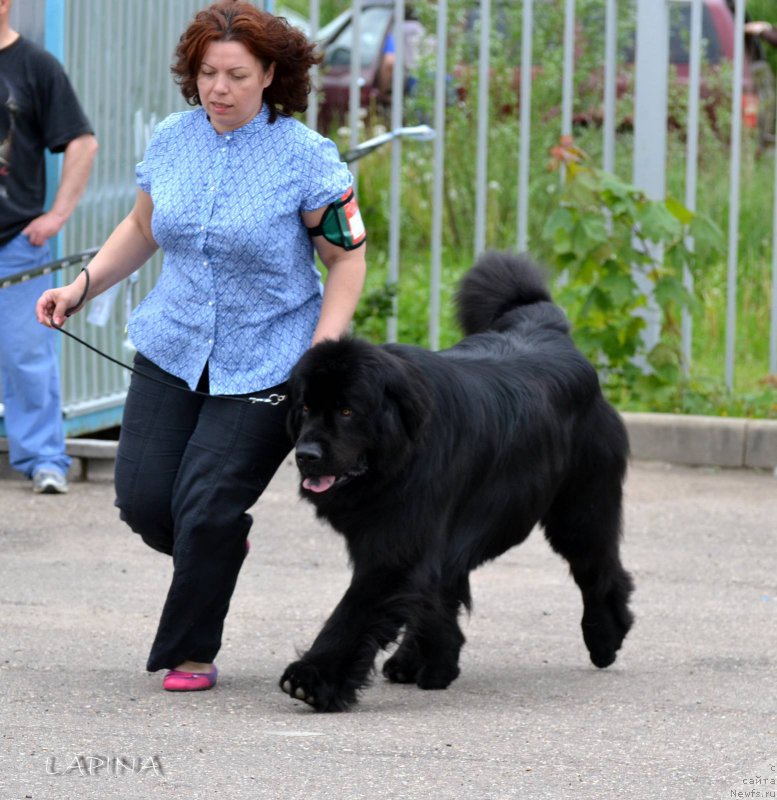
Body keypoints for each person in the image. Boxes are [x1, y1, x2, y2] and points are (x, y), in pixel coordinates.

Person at [36, 1, 367, 692]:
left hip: (270, 358)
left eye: (237, 75)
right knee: (144, 500)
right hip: (174, 343)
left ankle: (189, 651)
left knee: (208, 505)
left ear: (269, 75)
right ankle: (214, 546)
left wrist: (323, 358)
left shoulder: (307, 158)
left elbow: (345, 260)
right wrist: (81, 287)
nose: (219, 88)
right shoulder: (170, 139)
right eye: (208, 73)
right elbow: (142, 228)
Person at [0, 0, 98, 494]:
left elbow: (83, 142)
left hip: (15, 243)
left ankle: (44, 460)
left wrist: (57, 215)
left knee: (25, 355)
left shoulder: (36, 66)